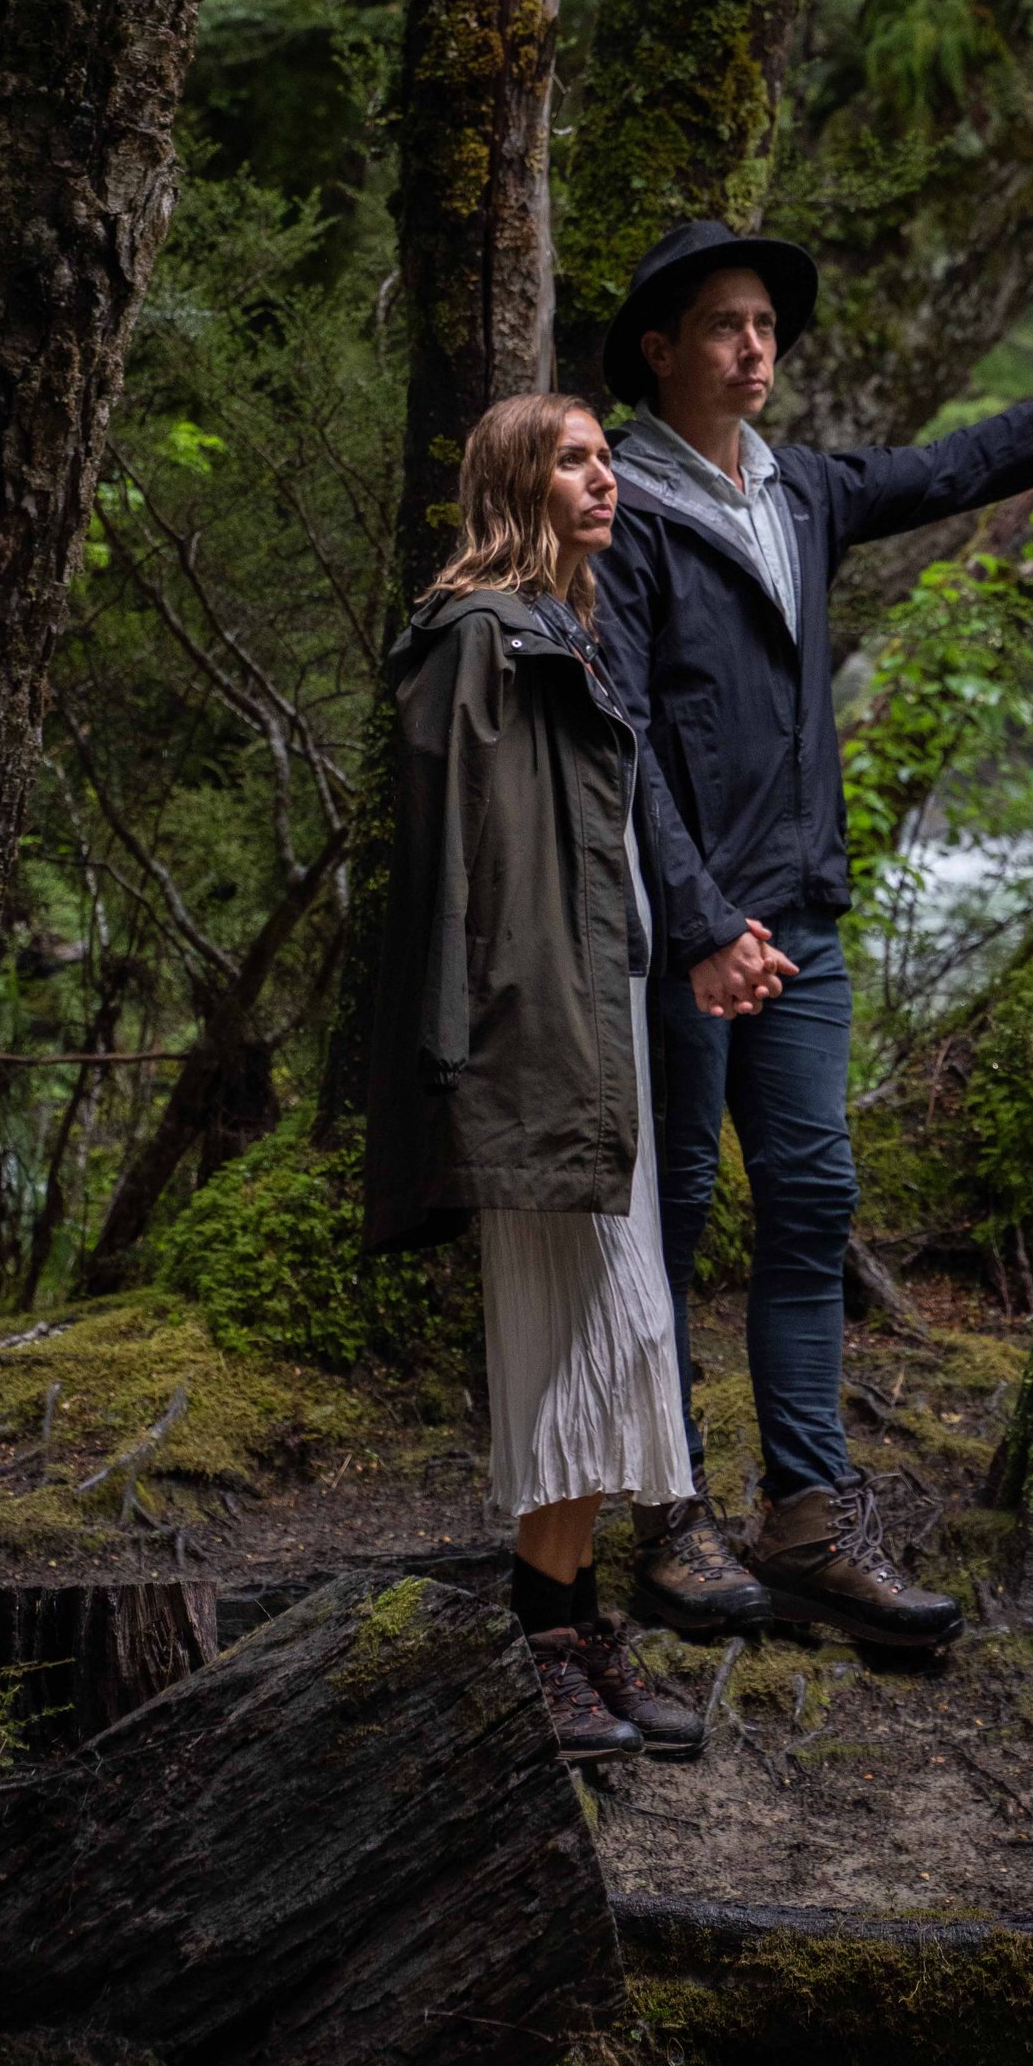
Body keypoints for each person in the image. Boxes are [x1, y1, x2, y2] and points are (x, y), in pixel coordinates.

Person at [597, 216, 1033, 1650]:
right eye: (727, 324)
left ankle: (806, 1518)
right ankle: (671, 1516)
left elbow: (967, 464)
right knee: (668, 1223)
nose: (757, 345)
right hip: (685, 941)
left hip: (802, 927)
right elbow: (615, 743)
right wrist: (696, 925)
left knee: (809, 1208)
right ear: (661, 350)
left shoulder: (803, 491)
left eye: (767, 324)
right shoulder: (619, 510)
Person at [363, 392, 708, 1767]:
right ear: (516, 481)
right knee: (572, 1334)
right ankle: (541, 1636)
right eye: (574, 459)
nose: (604, 477)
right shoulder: (476, 639)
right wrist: (459, 1049)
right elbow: (445, 858)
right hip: (527, 1035)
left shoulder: (575, 631)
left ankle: (571, 1624)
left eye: (608, 457)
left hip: (601, 1020)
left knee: (614, 1336)